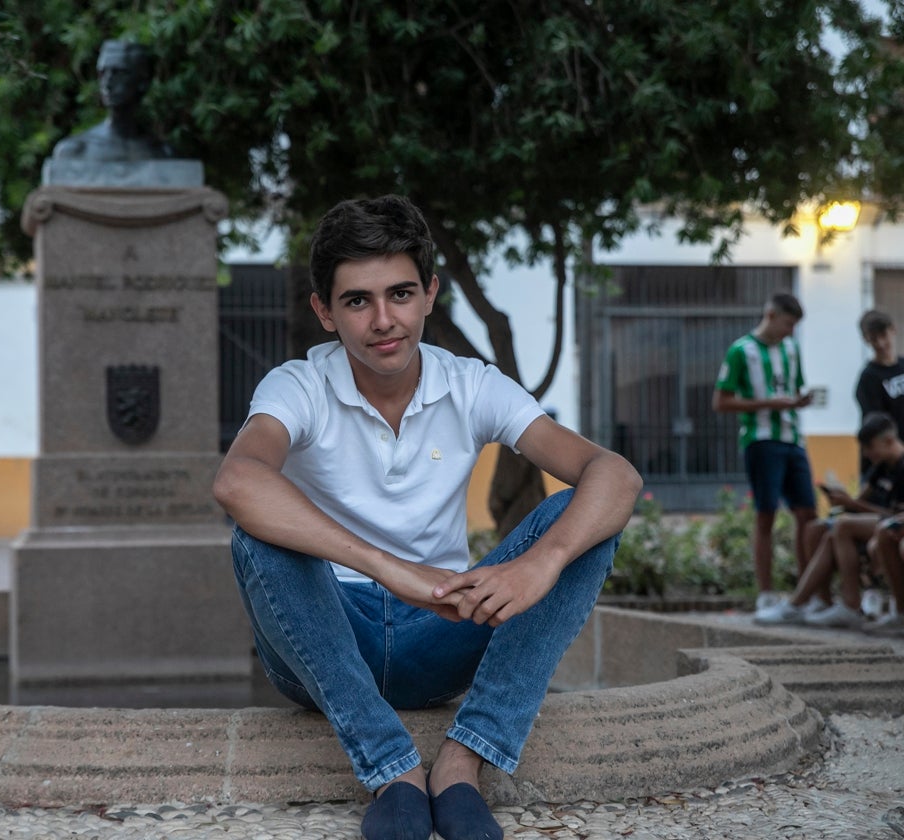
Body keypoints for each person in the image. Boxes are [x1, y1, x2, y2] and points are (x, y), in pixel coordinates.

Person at [212, 195, 642, 840]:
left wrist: (538, 564)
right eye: (357, 301)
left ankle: (463, 763)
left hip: (442, 625)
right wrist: (392, 570)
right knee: (259, 530)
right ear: (324, 312)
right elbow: (237, 479)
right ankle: (394, 772)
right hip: (325, 641)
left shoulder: (470, 384)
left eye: (401, 294)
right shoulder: (296, 386)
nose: (384, 321)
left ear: (430, 294)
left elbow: (616, 474)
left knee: (581, 523)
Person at [712, 293, 817, 612]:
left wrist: (799, 401)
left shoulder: (791, 349)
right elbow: (721, 402)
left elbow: (794, 388)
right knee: (766, 513)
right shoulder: (741, 350)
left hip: (793, 438)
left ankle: (806, 591)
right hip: (761, 441)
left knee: (807, 514)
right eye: (787, 324)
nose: (790, 332)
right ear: (770, 315)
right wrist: (769, 404)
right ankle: (766, 593)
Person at [755, 412, 904, 627]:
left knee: (842, 527)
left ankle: (849, 604)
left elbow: (895, 517)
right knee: (818, 529)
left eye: (869, 447)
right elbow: (859, 502)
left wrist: (853, 506)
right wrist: (843, 500)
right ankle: (816, 602)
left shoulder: (901, 465)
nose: (867, 454)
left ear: (888, 441)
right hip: (874, 523)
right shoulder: (880, 468)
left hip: (889, 525)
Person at [51, 39, 172, 163]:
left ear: (143, 82)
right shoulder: (75, 151)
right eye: (102, 74)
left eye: (118, 73)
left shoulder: (162, 153)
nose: (107, 84)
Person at [856, 310, 904, 473]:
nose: (881, 343)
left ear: (893, 330)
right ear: (866, 340)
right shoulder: (868, 378)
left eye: (883, 335)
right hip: (884, 462)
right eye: (874, 339)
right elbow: (876, 426)